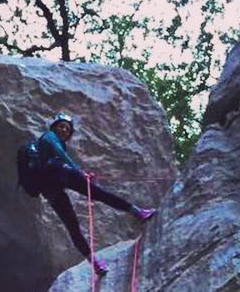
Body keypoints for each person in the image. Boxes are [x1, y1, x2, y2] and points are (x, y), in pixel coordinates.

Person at [34, 113, 155, 277]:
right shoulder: (49, 137)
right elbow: (60, 155)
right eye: (61, 126)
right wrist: (79, 172)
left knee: (87, 208)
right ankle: (136, 214)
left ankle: (96, 262)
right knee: (77, 219)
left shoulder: (51, 144)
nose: (63, 130)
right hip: (58, 178)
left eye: (67, 129)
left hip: (52, 187)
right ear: (54, 127)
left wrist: (79, 173)